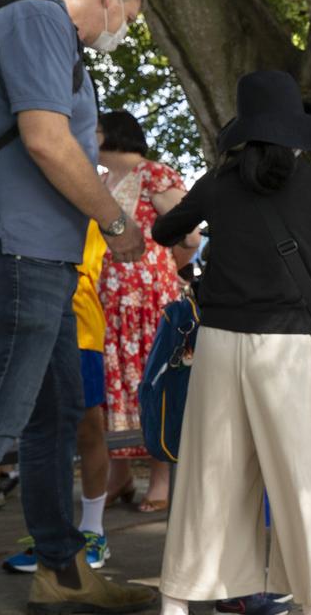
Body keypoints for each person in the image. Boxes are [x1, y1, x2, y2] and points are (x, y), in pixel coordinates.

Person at [151, 71, 311, 615]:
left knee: (210, 474)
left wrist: (199, 240)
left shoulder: (217, 183)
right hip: (290, 347)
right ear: (296, 130)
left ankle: (176, 602)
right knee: (304, 476)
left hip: (221, 343)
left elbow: (164, 232)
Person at [0, 0, 155, 612]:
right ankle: (63, 567)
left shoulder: (54, 41)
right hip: (19, 256)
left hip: (44, 260)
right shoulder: (35, 19)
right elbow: (46, 140)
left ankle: (64, 571)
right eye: (129, 17)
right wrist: (116, 222)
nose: (124, 31)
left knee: (52, 418)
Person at [96, 110, 196, 513]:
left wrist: (164, 267)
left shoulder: (155, 174)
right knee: (115, 381)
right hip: (109, 304)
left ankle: (160, 478)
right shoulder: (101, 181)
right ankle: (119, 476)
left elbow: (189, 235)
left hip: (149, 302)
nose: (89, 135)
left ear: (116, 134)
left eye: (96, 129)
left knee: (153, 381)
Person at [4, 221, 114, 573]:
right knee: (40, 431)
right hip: (32, 324)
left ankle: (93, 531)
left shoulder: (84, 205)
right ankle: (52, 538)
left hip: (80, 330)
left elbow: (77, 266)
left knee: (88, 428)